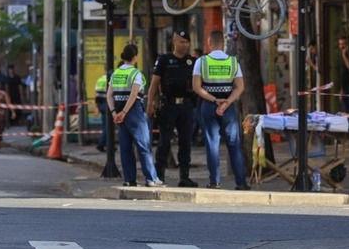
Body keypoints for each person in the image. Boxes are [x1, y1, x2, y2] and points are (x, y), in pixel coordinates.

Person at [192, 29, 250, 190]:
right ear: (223, 43)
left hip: (208, 105)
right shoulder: (233, 62)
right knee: (234, 143)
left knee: (212, 143)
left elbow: (196, 87)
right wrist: (227, 102)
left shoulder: (201, 62)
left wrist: (215, 100)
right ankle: (241, 182)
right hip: (229, 107)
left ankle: (214, 181)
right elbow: (240, 87)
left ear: (209, 43)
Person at [106, 43, 163, 187]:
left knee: (125, 147)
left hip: (118, 112)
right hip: (133, 112)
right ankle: (151, 178)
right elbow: (134, 94)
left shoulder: (116, 73)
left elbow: (109, 95)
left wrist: (114, 113)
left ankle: (129, 179)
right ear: (135, 57)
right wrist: (125, 112)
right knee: (143, 145)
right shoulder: (136, 74)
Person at [148, 30, 198, 186]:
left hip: (186, 106)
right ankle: (159, 176)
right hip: (168, 105)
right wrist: (150, 103)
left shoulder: (193, 61)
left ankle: (184, 177)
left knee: (186, 142)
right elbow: (154, 83)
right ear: (174, 42)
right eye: (181, 42)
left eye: (187, 42)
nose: (185, 45)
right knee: (164, 141)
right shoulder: (164, 60)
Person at [337, 35, 349, 114]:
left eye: (343, 44)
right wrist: (341, 90)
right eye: (340, 44)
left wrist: (344, 55)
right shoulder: (342, 56)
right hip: (345, 88)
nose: (342, 46)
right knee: (345, 111)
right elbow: (343, 75)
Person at [93, 71, 110, 152]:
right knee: (108, 126)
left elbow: (96, 93)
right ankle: (101, 144)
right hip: (106, 103)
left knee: (104, 125)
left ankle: (108, 144)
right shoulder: (109, 79)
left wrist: (97, 107)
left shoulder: (100, 79)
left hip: (100, 104)